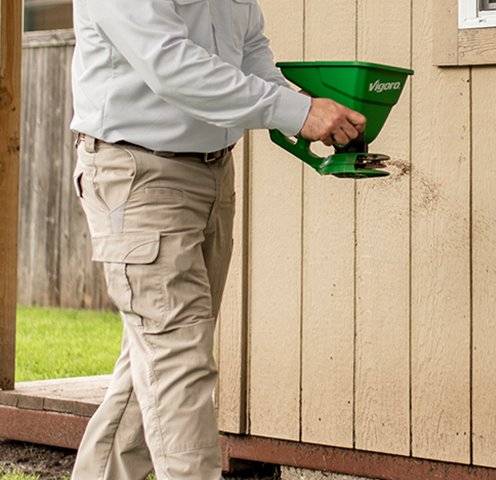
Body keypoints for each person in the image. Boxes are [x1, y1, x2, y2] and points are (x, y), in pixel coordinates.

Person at [68, 0, 366, 478]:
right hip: (137, 173)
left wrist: (312, 113)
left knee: (156, 354)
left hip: (209, 172)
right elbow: (172, 66)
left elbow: (250, 53)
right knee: (177, 362)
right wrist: (296, 111)